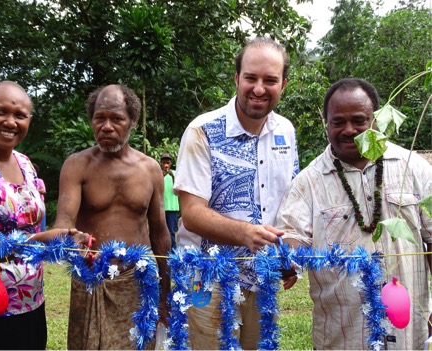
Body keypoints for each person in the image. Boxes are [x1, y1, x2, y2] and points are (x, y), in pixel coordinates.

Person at [276, 78, 431, 350]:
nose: (349, 130)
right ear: (326, 123)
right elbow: (292, 240)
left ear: (375, 120)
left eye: (359, 120)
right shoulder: (307, 183)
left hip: (408, 335)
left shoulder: (414, 169)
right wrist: (283, 258)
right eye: (338, 122)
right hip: (341, 336)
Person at [173, 37, 299, 350]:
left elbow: (290, 204)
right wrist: (245, 233)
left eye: (270, 80)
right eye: (251, 78)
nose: (259, 88)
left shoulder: (286, 131)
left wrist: (287, 255)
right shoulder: (202, 131)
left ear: (283, 84)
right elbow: (192, 213)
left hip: (262, 278)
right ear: (236, 79)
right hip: (208, 279)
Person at [0, 81, 84, 350]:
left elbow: (29, 223)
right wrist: (45, 239)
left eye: (20, 115)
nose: (10, 122)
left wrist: (65, 241)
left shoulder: (25, 163)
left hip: (31, 299)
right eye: (0, 112)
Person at [53, 84, 171, 350]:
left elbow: (160, 233)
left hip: (137, 282)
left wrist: (165, 291)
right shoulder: (76, 165)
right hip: (91, 282)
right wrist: (67, 238)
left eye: (116, 118)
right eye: (99, 118)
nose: (106, 126)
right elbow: (64, 222)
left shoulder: (150, 169)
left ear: (132, 122)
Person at [159, 152, 180, 250]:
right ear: (161, 164)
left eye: (167, 162)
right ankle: (163, 250)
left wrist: (172, 176)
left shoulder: (175, 173)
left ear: (171, 163)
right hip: (161, 208)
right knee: (160, 231)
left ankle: (173, 252)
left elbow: (179, 188)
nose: (166, 164)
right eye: (164, 162)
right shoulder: (158, 174)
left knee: (171, 231)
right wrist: (162, 176)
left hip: (172, 207)